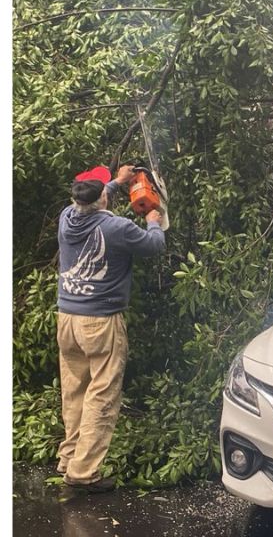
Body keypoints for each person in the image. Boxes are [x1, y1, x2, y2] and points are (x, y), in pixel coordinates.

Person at [56, 165, 165, 492]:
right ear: (102, 197)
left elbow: (98, 195)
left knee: (74, 391)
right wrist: (153, 223)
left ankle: (70, 456)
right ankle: (84, 472)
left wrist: (117, 182)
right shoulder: (117, 227)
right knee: (102, 394)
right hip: (100, 322)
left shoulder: (66, 217)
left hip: (67, 318)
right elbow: (152, 246)